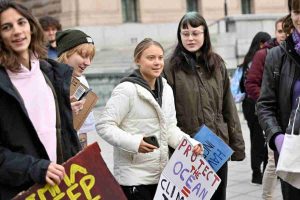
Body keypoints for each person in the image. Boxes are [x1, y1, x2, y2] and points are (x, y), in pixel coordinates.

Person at [96, 38, 203, 200]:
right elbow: (104, 126)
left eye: (160, 58)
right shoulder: (126, 90)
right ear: (137, 60)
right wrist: (134, 142)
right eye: (151, 58)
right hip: (134, 179)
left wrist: (190, 145)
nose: (157, 62)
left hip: (162, 177)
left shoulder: (166, 89)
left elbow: (170, 129)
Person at [0, 1, 81, 199]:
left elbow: (63, 135)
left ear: (31, 26)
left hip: (62, 187)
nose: (17, 31)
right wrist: (35, 168)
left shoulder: (52, 73)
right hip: (20, 191)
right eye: (6, 27)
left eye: (21, 23)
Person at [163, 12, 245, 200]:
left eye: (195, 33)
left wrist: (237, 145)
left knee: (217, 196)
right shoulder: (170, 67)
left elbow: (228, 106)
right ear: (179, 36)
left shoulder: (217, 64)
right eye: (185, 33)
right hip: (186, 146)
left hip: (216, 145)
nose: (190, 38)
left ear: (205, 34)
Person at [257, 0, 300, 199]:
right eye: (297, 11)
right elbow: (265, 105)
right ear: (290, 14)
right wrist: (276, 137)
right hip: (291, 153)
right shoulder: (276, 56)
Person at [245, 18, 286, 198]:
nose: (283, 34)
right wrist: (267, 101)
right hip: (273, 117)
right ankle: (267, 196)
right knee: (272, 161)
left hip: (292, 117)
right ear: (275, 33)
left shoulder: (294, 52)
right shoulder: (264, 54)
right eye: (279, 31)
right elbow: (251, 83)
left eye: (286, 30)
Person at [236, 31, 272, 185]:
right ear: (261, 43)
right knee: (260, 139)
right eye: (267, 44)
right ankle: (258, 173)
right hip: (256, 103)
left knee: (256, 138)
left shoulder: (247, 61)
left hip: (248, 105)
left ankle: (258, 171)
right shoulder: (258, 60)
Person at [57, 29, 96, 148]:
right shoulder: (47, 80)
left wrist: (82, 157)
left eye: (90, 58)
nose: (88, 62)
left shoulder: (82, 82)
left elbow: (82, 130)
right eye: (83, 56)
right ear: (66, 53)